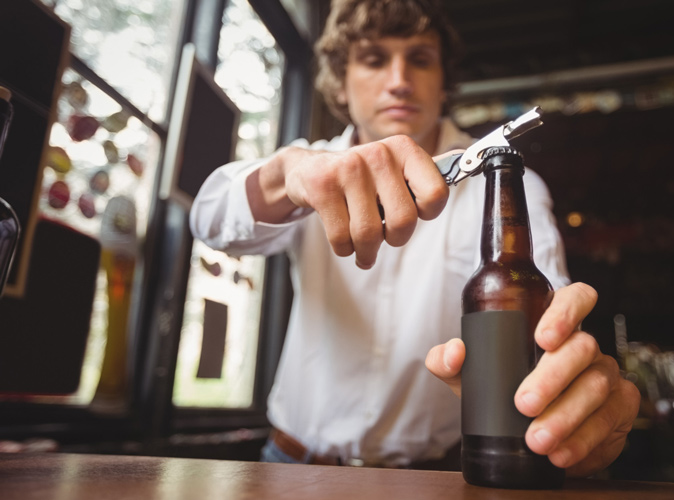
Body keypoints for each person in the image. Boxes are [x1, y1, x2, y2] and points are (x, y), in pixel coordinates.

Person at [190, 0, 639, 477]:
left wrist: (570, 391)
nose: (399, 79)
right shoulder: (310, 170)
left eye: (420, 59)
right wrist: (291, 174)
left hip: (439, 479)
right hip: (292, 469)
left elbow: (549, 330)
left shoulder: (513, 188)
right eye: (374, 59)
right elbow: (210, 218)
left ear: (444, 83)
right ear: (340, 81)